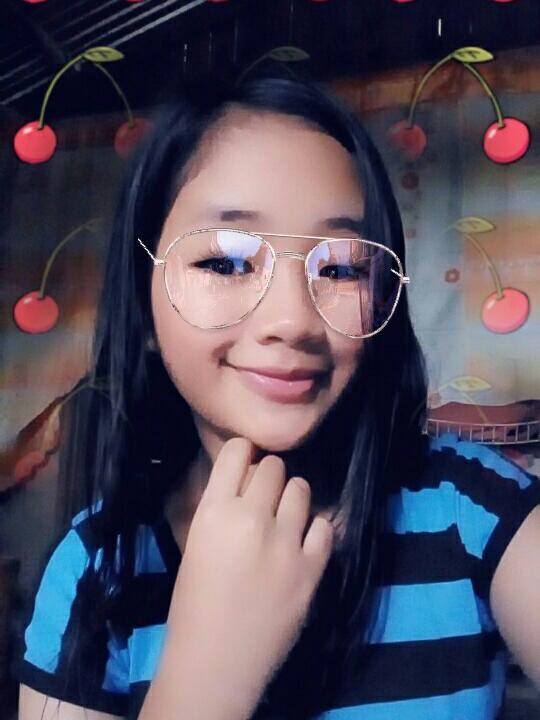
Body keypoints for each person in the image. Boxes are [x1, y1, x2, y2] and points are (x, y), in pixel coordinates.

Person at [14, 73, 540, 720]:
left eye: (341, 266)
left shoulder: (475, 505)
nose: (292, 320)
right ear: (143, 307)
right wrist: (208, 675)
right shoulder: (96, 568)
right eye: (225, 262)